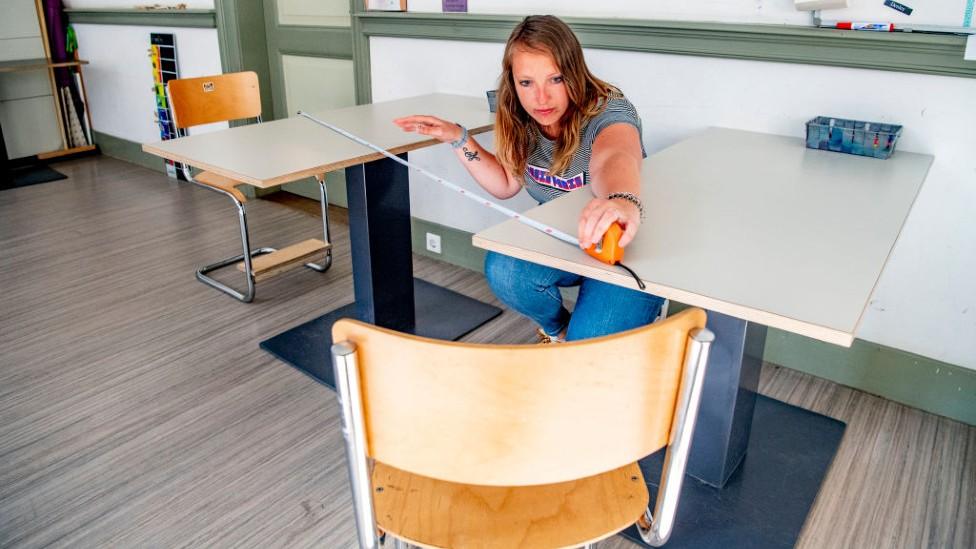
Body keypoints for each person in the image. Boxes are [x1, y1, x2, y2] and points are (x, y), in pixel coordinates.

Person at [394, 15, 665, 343]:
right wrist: (458, 138)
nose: (541, 98)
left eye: (555, 79)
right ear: (513, 82)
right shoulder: (520, 116)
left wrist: (621, 201)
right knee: (505, 269)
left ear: (574, 73)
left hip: (623, 250)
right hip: (565, 240)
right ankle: (558, 331)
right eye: (527, 83)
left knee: (589, 347)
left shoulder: (608, 111)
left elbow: (615, 156)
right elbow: (505, 184)